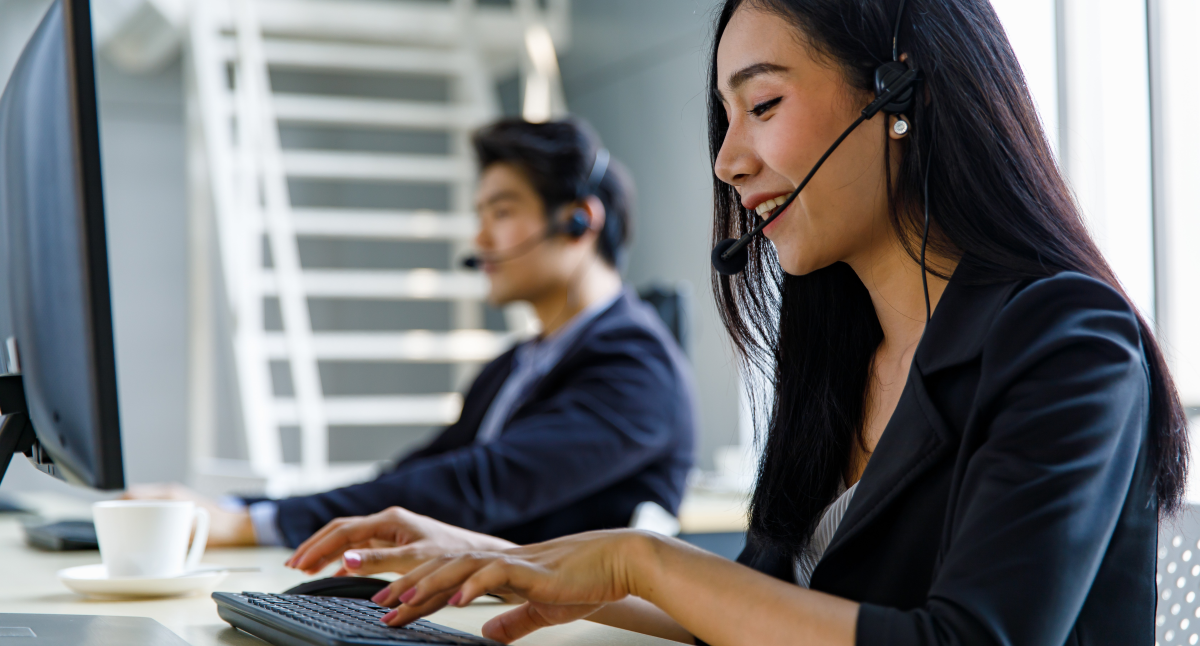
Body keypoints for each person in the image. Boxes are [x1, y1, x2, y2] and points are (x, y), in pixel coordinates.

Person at [281, 1, 1188, 645]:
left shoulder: (1070, 342)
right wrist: (508, 559)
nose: (726, 160)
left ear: (898, 92)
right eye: (725, 118)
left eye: (762, 105)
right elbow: (761, 606)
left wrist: (644, 560)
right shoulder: (841, 348)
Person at [127, 118, 697, 549]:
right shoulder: (517, 364)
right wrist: (238, 508)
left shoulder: (637, 368)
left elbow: (476, 488)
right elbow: (412, 477)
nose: (480, 240)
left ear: (579, 221)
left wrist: (248, 526)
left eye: (501, 212)